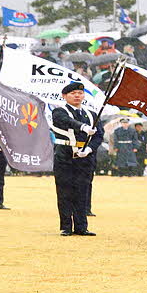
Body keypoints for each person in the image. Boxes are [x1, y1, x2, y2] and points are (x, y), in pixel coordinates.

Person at [50, 82, 101, 236]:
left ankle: (81, 226)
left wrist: (90, 149)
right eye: (73, 93)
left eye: (80, 93)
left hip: (85, 157)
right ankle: (66, 226)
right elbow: (66, 121)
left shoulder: (92, 114)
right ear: (65, 96)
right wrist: (83, 127)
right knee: (65, 190)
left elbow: (99, 135)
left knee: (82, 191)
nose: (77, 96)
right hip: (65, 154)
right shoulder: (59, 111)